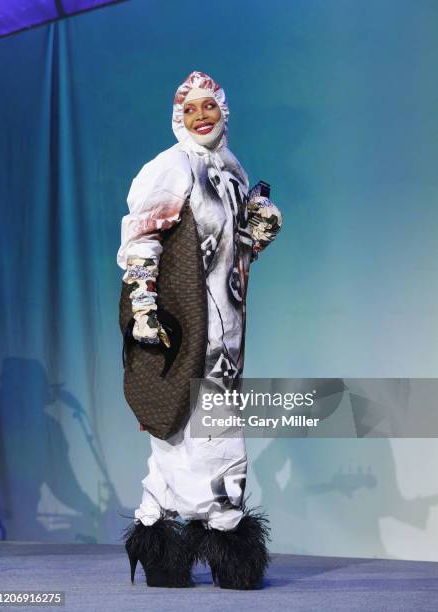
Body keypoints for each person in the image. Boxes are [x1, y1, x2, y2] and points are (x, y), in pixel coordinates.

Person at [117, 70, 283, 589]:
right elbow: (142, 237)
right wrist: (143, 305)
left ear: (224, 112)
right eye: (191, 110)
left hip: (226, 327)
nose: (202, 116)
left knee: (188, 434)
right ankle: (226, 537)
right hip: (186, 326)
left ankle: (159, 539)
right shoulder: (170, 167)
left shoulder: (231, 169)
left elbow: (229, 254)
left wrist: (256, 229)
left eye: (209, 106)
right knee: (203, 431)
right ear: (178, 119)